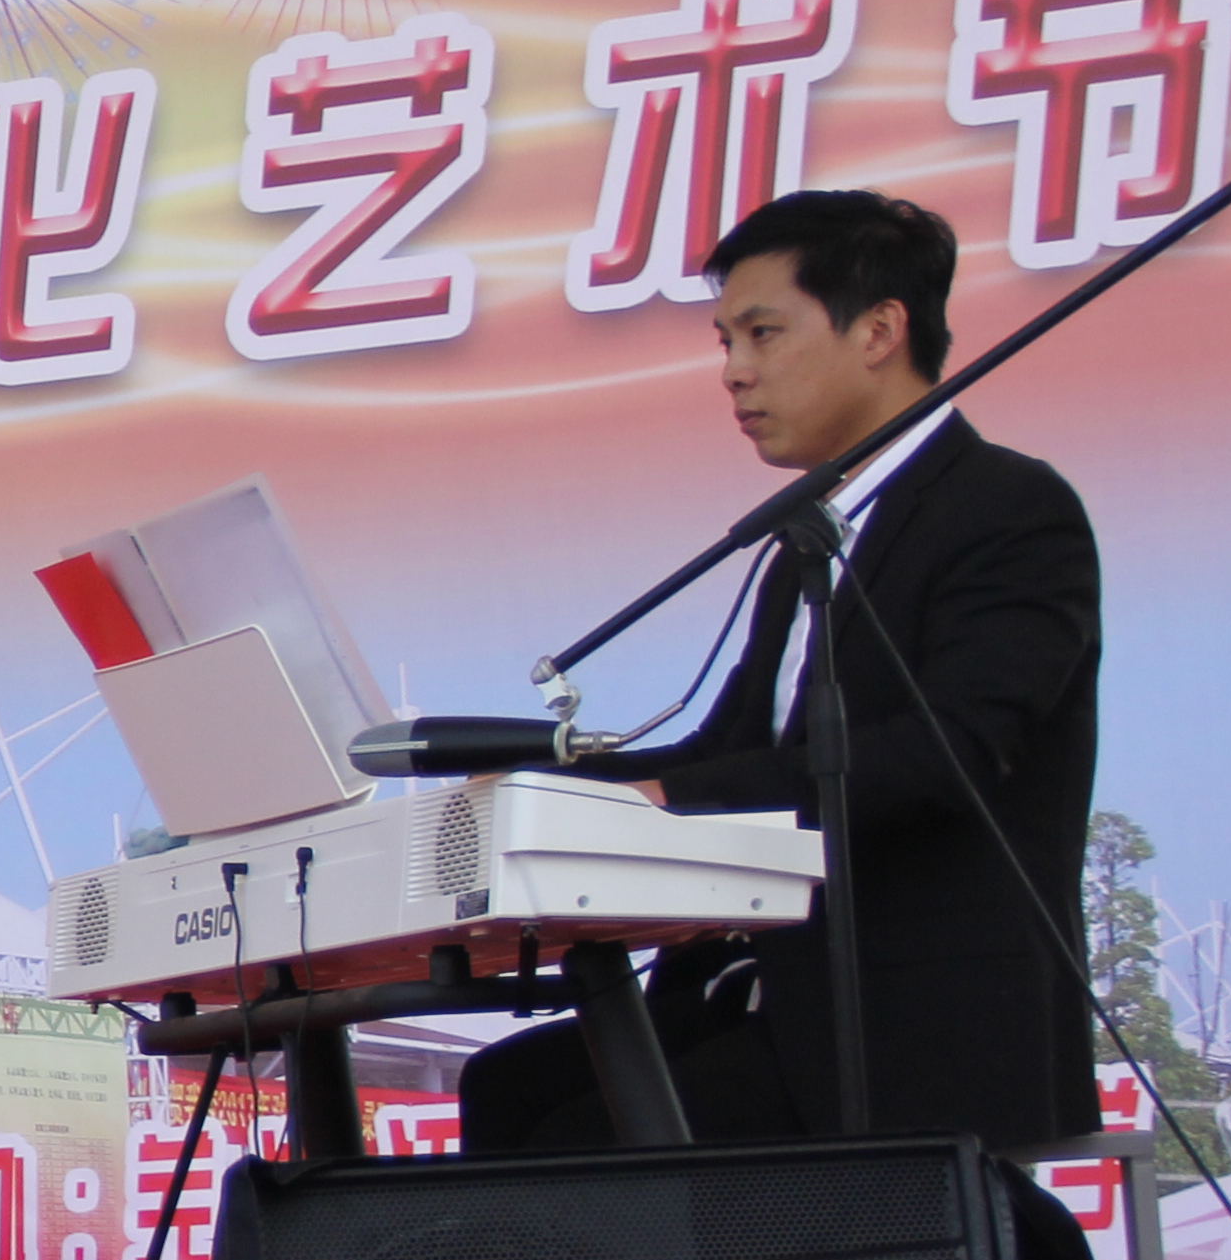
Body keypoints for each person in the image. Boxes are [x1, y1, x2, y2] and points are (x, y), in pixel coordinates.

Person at [459, 190, 1100, 1158]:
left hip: (918, 1020)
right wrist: (536, 791)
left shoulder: (1009, 507)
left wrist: (662, 800)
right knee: (507, 1089)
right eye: (725, 341)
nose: (735, 371)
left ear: (878, 331)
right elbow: (726, 753)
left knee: (580, 1142)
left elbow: (949, 753)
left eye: (762, 334)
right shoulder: (809, 535)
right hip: (769, 996)